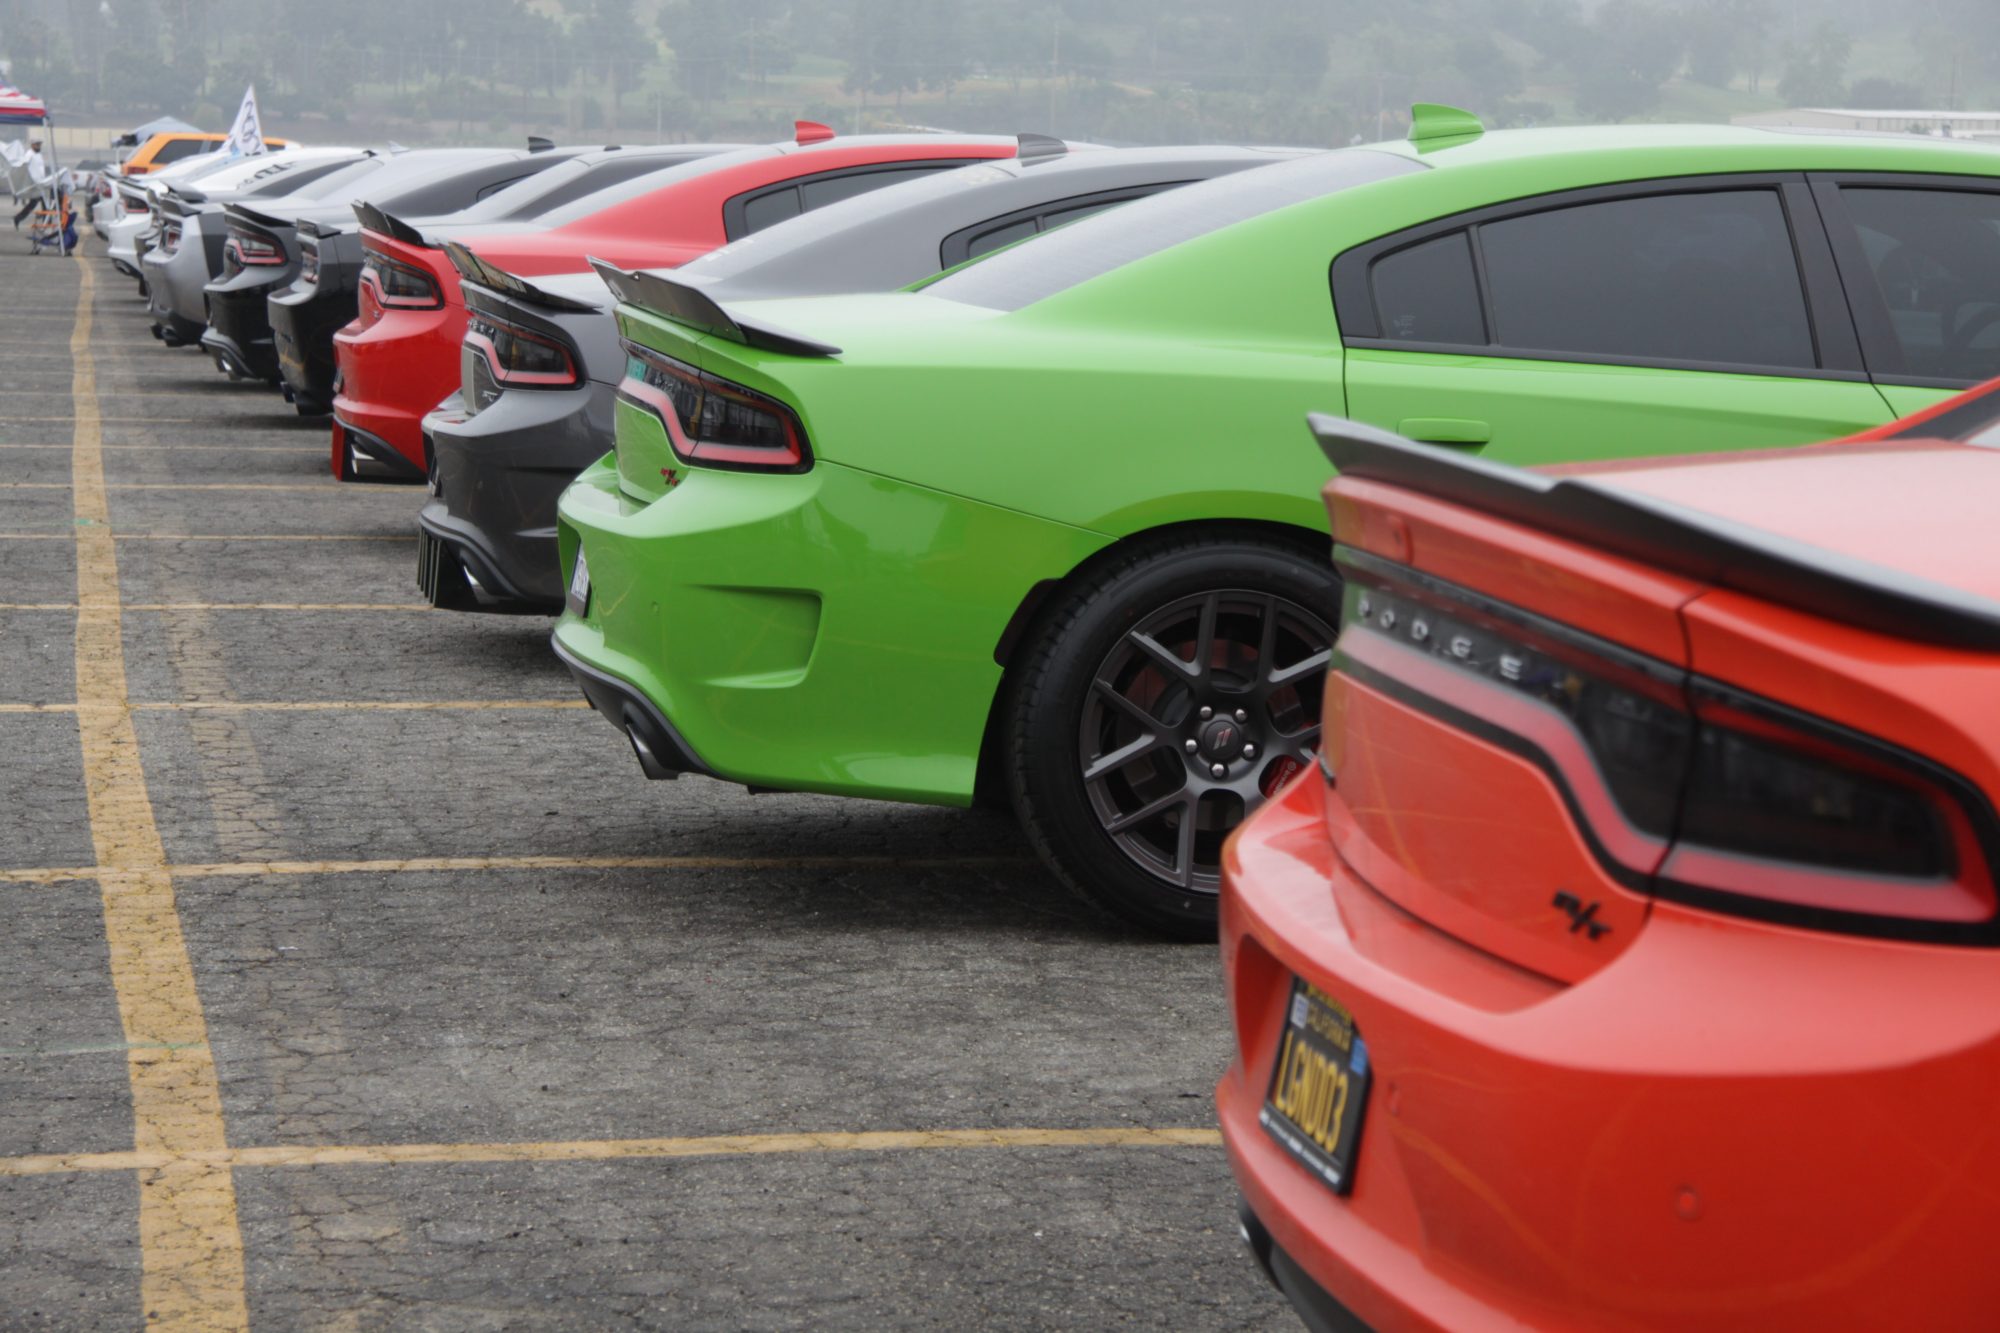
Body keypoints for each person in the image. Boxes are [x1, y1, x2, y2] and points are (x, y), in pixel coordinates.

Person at [12, 135, 50, 228]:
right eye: (37, 144)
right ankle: (46, 222)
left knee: (37, 204)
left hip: (41, 183)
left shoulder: (39, 154)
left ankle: (18, 218)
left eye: (40, 144)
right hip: (35, 184)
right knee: (44, 203)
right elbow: (22, 165)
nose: (39, 146)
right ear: (32, 145)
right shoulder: (29, 154)